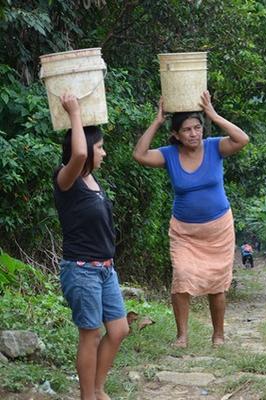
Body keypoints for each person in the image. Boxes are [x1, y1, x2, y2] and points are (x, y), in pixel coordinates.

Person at [133, 90, 249, 348]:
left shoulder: (215, 147)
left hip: (218, 229)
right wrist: (156, 121)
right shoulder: (169, 155)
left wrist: (213, 114)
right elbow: (140, 155)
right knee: (181, 278)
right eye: (187, 130)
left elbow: (242, 139)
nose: (194, 133)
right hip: (185, 231)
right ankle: (182, 336)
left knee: (217, 284)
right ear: (176, 134)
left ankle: (218, 335)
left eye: (197, 128)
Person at [53, 94, 129, 400]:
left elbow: (84, 156)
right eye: (100, 147)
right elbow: (79, 154)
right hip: (81, 270)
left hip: (105, 269)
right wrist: (74, 113)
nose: (104, 153)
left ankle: (97, 389)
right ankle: (88, 396)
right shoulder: (65, 179)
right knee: (91, 333)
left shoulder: (92, 182)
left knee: (119, 329)